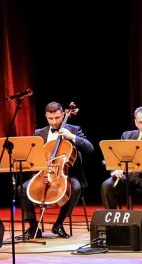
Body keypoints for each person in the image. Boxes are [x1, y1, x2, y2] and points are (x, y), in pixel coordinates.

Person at [18, 101, 94, 238]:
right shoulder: (39, 132)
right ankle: (33, 227)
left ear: (63, 114)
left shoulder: (74, 129)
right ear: (46, 117)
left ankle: (59, 224)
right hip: (44, 172)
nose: (54, 122)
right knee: (22, 188)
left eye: (58, 118)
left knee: (75, 187)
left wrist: (72, 137)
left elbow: (90, 149)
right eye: (50, 118)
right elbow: (33, 156)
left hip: (68, 173)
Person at [100, 106, 142, 220]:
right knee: (107, 185)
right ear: (136, 123)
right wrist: (116, 169)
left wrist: (140, 167)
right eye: (141, 122)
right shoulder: (127, 136)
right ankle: (111, 221)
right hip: (128, 176)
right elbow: (118, 158)